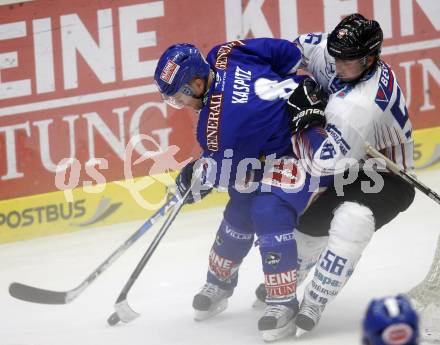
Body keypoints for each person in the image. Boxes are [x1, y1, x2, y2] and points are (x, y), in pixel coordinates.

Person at [154, 39, 332, 342]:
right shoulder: (227, 52)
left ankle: (283, 303)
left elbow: (221, 172)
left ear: (197, 83)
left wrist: (195, 182)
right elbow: (287, 54)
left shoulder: (215, 127)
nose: (179, 105)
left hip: (303, 150)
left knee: (267, 211)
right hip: (274, 146)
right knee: (239, 210)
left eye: (178, 97)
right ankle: (219, 283)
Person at [253, 13, 416, 337]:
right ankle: (297, 270)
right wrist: (291, 82)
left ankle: (316, 299)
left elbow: (323, 164)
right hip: (350, 162)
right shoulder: (330, 50)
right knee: (307, 221)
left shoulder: (359, 104)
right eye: (336, 54)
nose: (339, 63)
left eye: (349, 60)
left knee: (352, 219)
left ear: (371, 59)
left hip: (387, 176)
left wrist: (308, 119)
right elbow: (292, 52)